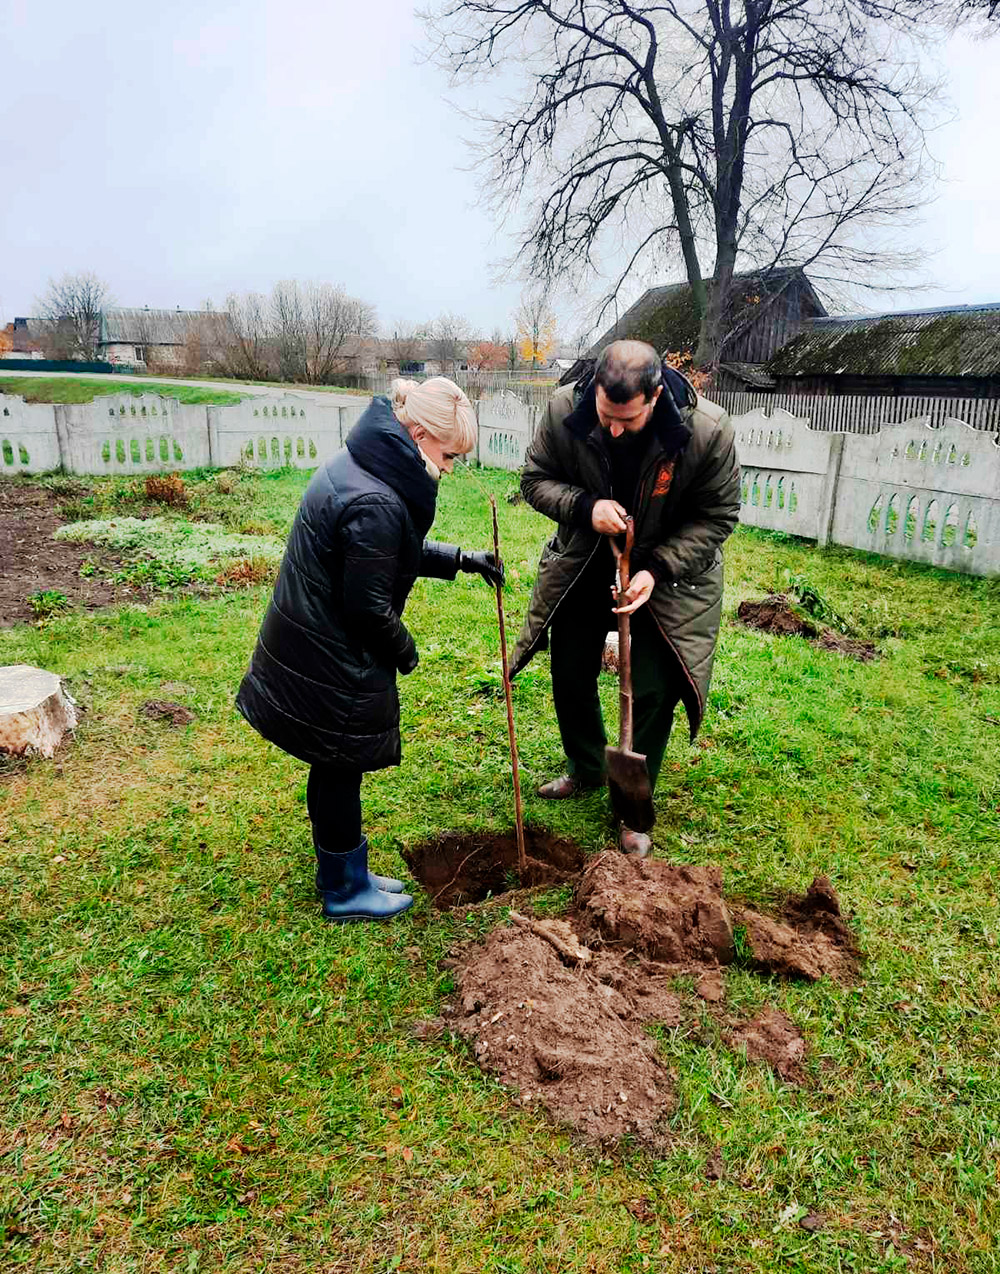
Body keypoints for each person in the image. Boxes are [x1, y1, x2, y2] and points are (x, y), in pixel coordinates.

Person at [236, 378, 503, 922]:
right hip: (332, 653)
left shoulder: (365, 461)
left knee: (332, 764)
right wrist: (405, 650)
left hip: (312, 638)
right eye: (449, 455)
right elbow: (368, 608)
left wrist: (459, 559)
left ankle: (343, 870)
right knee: (340, 767)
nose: (451, 468)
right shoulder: (377, 496)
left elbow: (384, 551)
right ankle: (345, 888)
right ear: (419, 434)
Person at [509, 339, 741, 857]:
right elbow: (535, 479)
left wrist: (656, 569)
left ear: (655, 397)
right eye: (606, 416)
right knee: (570, 667)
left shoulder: (707, 432)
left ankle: (633, 806)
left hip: (669, 572)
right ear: (594, 388)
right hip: (587, 556)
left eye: (628, 420)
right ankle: (588, 766)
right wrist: (584, 507)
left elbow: (717, 516)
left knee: (656, 686)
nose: (614, 430)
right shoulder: (565, 410)